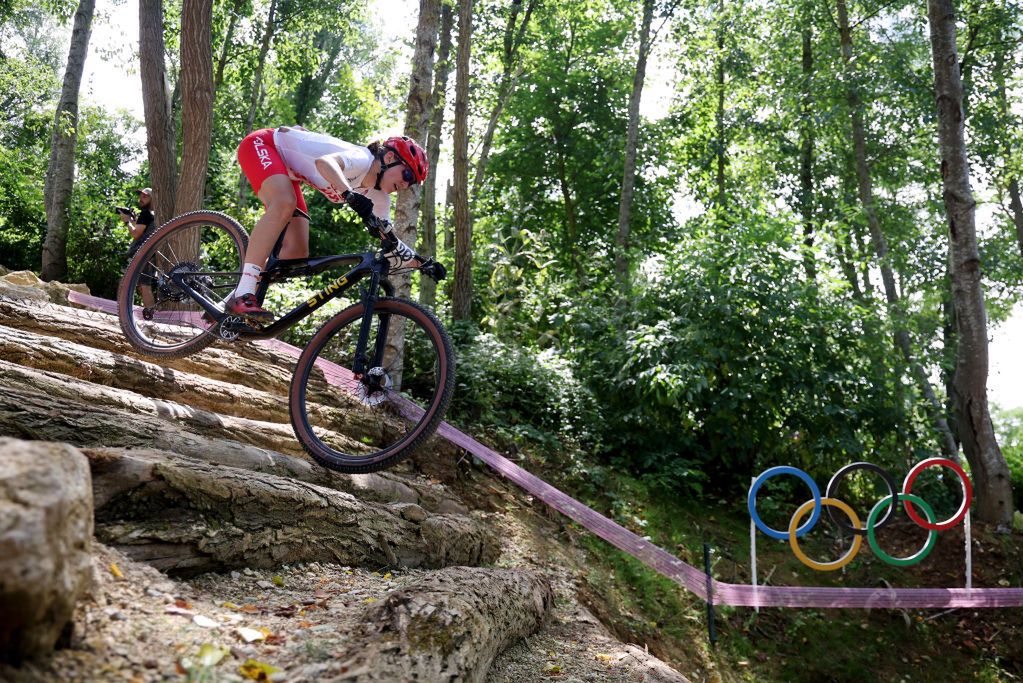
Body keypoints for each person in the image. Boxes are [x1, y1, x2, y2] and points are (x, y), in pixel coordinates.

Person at [231, 126, 442, 321]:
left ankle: (226, 304)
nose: (405, 184)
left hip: (288, 172)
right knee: (284, 203)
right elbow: (325, 163)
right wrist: (349, 193)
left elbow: (389, 239)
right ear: (388, 157)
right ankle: (244, 295)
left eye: (411, 182)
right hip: (264, 145)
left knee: (295, 254)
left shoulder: (380, 197)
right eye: (407, 174)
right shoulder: (362, 159)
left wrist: (421, 263)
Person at [120, 187, 157, 307]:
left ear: (153, 199)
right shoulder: (153, 214)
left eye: (145, 196)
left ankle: (150, 318)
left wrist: (127, 221)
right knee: (142, 286)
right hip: (150, 253)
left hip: (144, 254)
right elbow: (141, 230)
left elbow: (136, 234)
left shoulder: (146, 213)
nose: (141, 198)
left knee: (145, 286)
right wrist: (134, 220)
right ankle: (148, 312)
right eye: (141, 195)